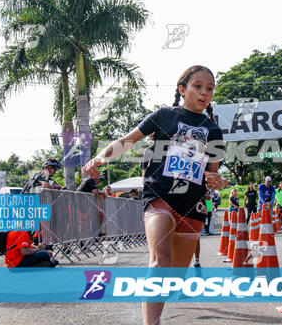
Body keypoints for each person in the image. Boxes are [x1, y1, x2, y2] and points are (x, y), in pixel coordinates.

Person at [81, 65, 227, 325]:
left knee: (172, 280)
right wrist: (100, 158)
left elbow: (213, 174)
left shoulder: (213, 131)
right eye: (198, 86)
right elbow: (127, 141)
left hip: (192, 205)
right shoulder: (164, 115)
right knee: (160, 260)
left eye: (210, 88)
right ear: (182, 89)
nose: (204, 93)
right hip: (159, 196)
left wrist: (217, 180)